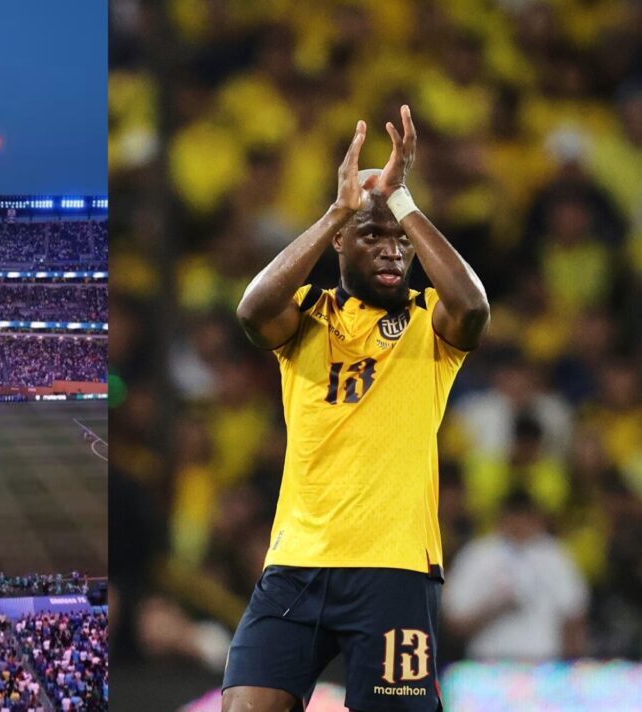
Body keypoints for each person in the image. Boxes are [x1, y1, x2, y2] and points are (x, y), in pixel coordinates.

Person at [223, 106, 490, 712]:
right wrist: (338, 210)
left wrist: (401, 203)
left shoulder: (431, 324)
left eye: (400, 241)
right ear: (341, 241)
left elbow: (473, 307)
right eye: (374, 236)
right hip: (296, 563)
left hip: (393, 569)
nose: (394, 251)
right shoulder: (306, 316)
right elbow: (251, 311)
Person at [442, 488, 588, 660]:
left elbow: (574, 618)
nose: (520, 523)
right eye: (515, 515)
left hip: (543, 664)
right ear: (502, 517)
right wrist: (496, 606)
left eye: (526, 516)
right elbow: (454, 623)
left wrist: (571, 667)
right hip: (488, 665)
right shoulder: (478, 555)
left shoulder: (555, 556)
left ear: (538, 518)